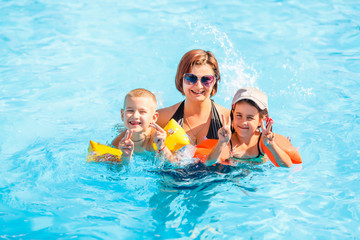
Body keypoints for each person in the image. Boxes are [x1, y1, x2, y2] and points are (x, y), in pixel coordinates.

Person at [205, 87, 300, 168]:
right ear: (233, 113)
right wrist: (222, 142)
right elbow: (209, 163)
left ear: (261, 120)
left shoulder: (262, 142)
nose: (243, 122)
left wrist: (271, 145)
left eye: (250, 117)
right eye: (239, 115)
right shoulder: (229, 143)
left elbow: (287, 165)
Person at [157, 49, 230, 146]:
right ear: (181, 79)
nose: (199, 86)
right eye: (191, 78)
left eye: (206, 79)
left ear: (215, 81)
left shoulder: (229, 120)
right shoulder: (162, 118)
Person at [112, 88, 173, 161]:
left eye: (142, 111)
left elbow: (174, 165)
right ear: (122, 115)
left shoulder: (157, 138)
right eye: (130, 110)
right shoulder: (118, 142)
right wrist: (125, 157)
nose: (135, 116)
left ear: (153, 118)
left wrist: (162, 147)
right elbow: (117, 170)